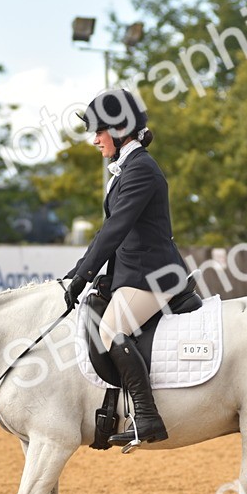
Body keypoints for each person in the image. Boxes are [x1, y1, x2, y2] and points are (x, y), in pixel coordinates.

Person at [65, 88, 189, 446]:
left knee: (109, 329)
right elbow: (111, 232)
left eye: (99, 131)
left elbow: (116, 230)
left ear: (120, 131)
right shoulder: (126, 169)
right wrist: (80, 273)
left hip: (154, 276)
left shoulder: (141, 170)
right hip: (134, 273)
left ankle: (147, 416)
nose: (94, 140)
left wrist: (85, 276)